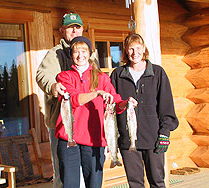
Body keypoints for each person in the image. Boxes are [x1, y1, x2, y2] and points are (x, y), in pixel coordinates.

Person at [55, 36, 137, 188]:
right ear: (71, 55)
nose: (80, 55)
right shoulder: (64, 76)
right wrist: (97, 93)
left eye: (84, 51)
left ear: (90, 53)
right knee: (69, 184)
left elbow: (116, 103)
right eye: (76, 51)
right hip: (69, 139)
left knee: (94, 184)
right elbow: (73, 100)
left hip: (94, 140)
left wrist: (126, 103)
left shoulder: (102, 78)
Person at [110, 33, 179, 188]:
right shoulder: (117, 75)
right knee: (135, 184)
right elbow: (111, 107)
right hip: (128, 140)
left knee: (157, 182)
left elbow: (166, 105)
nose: (135, 53)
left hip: (154, 138)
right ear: (126, 52)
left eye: (138, 48)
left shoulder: (157, 73)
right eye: (131, 49)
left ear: (144, 49)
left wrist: (164, 133)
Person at [36, 13, 88, 188]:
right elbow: (42, 75)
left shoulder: (89, 52)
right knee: (64, 171)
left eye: (78, 26)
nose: (74, 30)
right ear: (62, 31)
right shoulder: (55, 53)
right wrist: (52, 86)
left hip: (86, 121)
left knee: (87, 168)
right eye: (70, 27)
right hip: (61, 121)